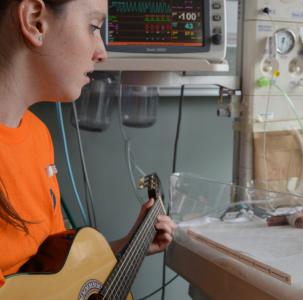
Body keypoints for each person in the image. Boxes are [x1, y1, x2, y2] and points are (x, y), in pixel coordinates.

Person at [0, 0, 176, 288]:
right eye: (93, 27)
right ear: (35, 21)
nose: (102, 53)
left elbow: (52, 274)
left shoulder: (37, 135)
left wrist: (127, 246)